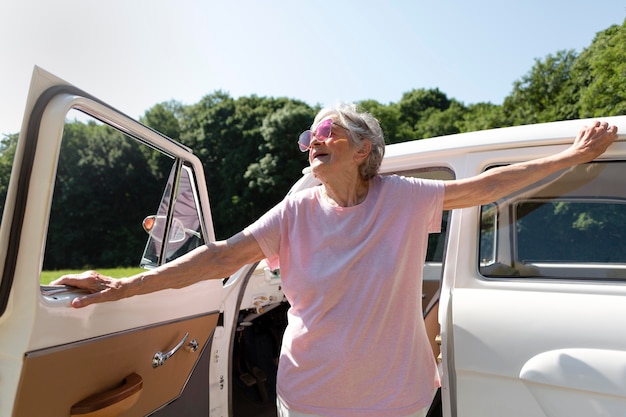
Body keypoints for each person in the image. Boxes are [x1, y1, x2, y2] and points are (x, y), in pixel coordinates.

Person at [53, 103, 619, 417]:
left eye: (327, 131)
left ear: (364, 148)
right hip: (310, 397)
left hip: (397, 399)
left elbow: (486, 189)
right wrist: (125, 288)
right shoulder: (294, 212)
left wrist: (571, 156)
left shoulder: (402, 197)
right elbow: (218, 257)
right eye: (309, 136)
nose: (312, 142)